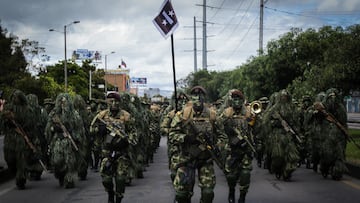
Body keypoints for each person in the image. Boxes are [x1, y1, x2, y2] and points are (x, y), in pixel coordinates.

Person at [169, 86, 226, 203]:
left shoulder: (212, 115)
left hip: (205, 159)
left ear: (204, 98)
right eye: (195, 96)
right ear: (191, 98)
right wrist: (185, 138)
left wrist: (217, 147)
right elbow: (172, 134)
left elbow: (222, 137)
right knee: (182, 194)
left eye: (200, 96)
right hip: (187, 158)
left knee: (208, 193)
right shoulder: (182, 115)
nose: (198, 98)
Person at [90, 92, 137, 203]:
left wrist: (126, 141)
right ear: (107, 102)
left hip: (122, 153)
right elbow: (91, 129)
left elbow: (134, 134)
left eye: (116, 101)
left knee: (120, 179)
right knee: (106, 179)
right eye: (111, 101)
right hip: (107, 152)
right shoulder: (102, 115)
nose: (114, 103)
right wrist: (100, 130)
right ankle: (110, 193)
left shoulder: (126, 116)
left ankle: (118, 198)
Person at [218, 89, 257, 203]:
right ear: (231, 100)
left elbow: (255, 128)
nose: (237, 101)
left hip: (245, 148)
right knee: (230, 175)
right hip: (231, 148)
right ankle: (231, 191)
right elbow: (218, 127)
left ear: (242, 100)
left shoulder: (248, 112)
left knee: (245, 174)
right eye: (234, 99)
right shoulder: (226, 112)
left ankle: (242, 196)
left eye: (239, 99)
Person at [0, 89, 42, 189]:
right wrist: (6, 119)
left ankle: (21, 178)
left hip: (22, 140)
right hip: (10, 139)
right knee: (9, 159)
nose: (15, 99)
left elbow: (31, 125)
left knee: (21, 160)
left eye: (17, 97)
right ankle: (16, 173)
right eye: (13, 97)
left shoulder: (28, 110)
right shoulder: (8, 108)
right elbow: (2, 122)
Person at [45, 93, 85, 188]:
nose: (63, 104)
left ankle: (69, 179)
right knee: (57, 161)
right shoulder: (54, 114)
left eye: (65, 102)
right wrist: (53, 128)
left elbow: (80, 128)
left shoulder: (74, 114)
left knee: (69, 162)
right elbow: (48, 128)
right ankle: (60, 175)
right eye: (61, 102)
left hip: (70, 142)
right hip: (57, 141)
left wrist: (75, 136)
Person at [263, 89, 301, 181]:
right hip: (277, 134)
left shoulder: (293, 108)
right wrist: (276, 123)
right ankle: (277, 169)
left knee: (292, 156)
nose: (284, 98)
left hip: (289, 134)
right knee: (278, 155)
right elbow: (266, 121)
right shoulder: (274, 108)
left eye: (286, 97)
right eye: (283, 96)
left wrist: (297, 133)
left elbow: (296, 122)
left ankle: (287, 171)